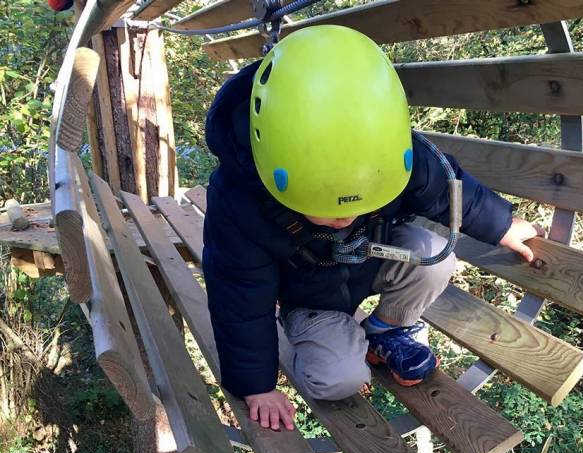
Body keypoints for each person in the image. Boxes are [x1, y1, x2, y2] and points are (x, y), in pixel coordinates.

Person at [203, 25, 540, 432]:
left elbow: (446, 192)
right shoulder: (240, 199)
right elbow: (238, 296)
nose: (344, 218)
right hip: (309, 295)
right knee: (339, 380)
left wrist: (502, 225)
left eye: (361, 202)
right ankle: (324, 345)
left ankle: (384, 330)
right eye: (323, 207)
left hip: (370, 257)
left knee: (434, 256)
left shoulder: (387, 146)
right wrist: (256, 386)